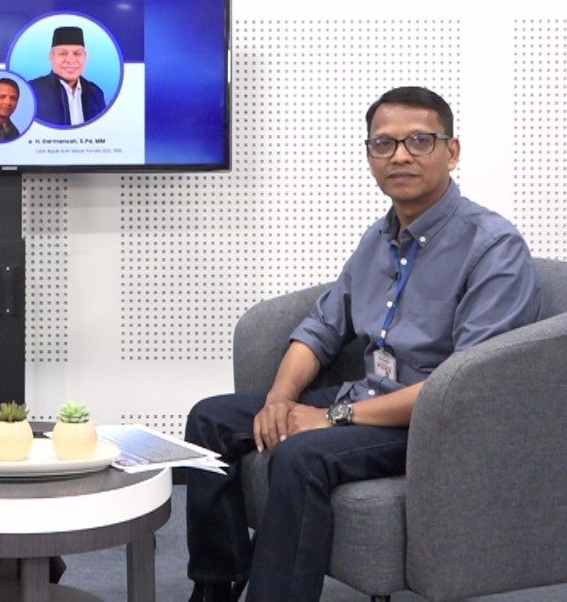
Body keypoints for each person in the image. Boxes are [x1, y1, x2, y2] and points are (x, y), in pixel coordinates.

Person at [183, 86, 542, 602]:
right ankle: (215, 587)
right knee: (210, 419)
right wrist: (280, 400)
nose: (400, 155)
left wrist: (333, 418)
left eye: (420, 141)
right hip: (367, 398)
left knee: (301, 453)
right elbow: (320, 330)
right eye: (383, 143)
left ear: (452, 151)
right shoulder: (379, 238)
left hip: (433, 423)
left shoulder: (492, 247)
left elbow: (464, 386)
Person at [28, 24, 107, 126]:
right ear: (51, 56)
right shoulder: (32, 91)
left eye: (77, 53)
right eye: (63, 53)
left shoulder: (95, 93)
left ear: (85, 56)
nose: (70, 60)